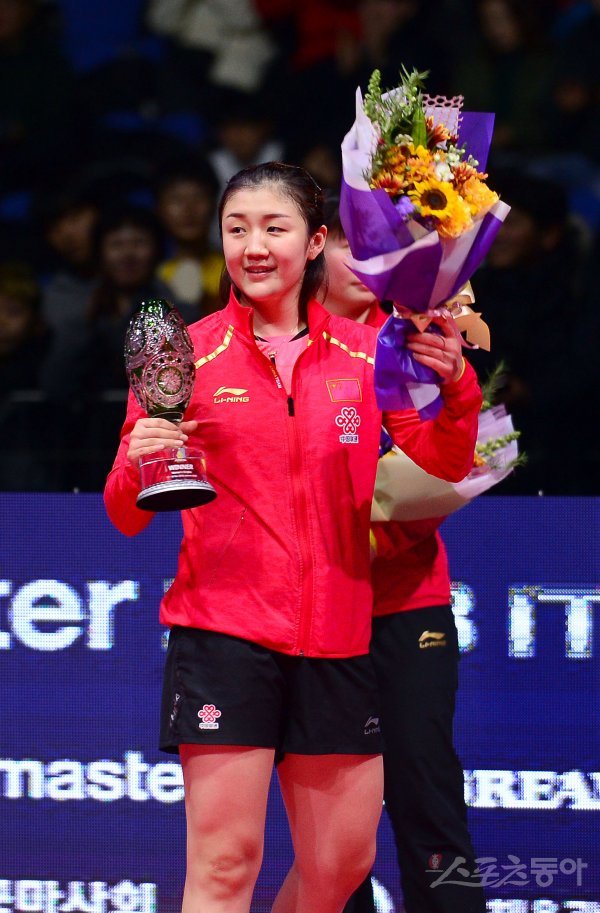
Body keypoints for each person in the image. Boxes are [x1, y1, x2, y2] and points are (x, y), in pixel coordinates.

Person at [104, 162, 482, 913]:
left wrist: (458, 388)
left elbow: (441, 462)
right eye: (236, 229)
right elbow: (126, 512)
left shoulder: (366, 351)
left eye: (273, 228)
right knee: (225, 863)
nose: (253, 246)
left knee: (340, 866)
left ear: (314, 243)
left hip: (339, 641)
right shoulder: (185, 354)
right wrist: (137, 460)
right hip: (224, 639)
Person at [321, 195, 486, 913]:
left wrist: (460, 383)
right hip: (318, 614)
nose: (365, 260)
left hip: (407, 603)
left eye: (378, 247)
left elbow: (445, 467)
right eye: (349, 244)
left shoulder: (420, 333)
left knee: (426, 792)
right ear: (313, 250)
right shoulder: (286, 346)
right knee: (333, 814)